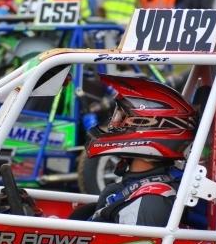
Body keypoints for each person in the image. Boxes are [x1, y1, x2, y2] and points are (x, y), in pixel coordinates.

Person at [84, 74, 196, 227]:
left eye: (122, 117)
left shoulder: (151, 200)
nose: (113, 125)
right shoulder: (127, 189)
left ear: (148, 126)